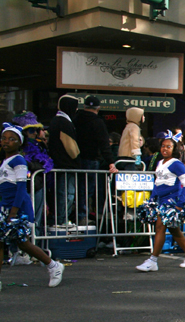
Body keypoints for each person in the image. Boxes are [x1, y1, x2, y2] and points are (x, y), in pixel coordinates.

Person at [0, 123, 65, 290]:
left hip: (16, 209)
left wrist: (14, 212)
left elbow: (21, 188)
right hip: (5, 207)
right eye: (4, 138)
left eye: (12, 139)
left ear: (19, 143)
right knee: (10, 242)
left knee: (24, 243)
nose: (7, 142)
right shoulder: (5, 160)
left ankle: (53, 265)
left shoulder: (19, 160)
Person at [136, 133, 185, 272]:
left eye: (168, 147)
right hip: (160, 201)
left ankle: (153, 260)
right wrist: (152, 199)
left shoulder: (176, 164)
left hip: (171, 201)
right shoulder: (160, 163)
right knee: (174, 230)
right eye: (163, 146)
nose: (165, 149)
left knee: (160, 227)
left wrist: (180, 203)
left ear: (174, 149)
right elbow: (157, 183)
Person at [74, 95, 114, 225]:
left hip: (75, 159)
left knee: (74, 188)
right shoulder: (98, 122)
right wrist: (110, 162)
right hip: (91, 160)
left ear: (85, 106)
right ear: (98, 108)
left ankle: (76, 214)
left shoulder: (75, 119)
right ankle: (82, 216)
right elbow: (104, 144)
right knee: (86, 189)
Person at [47, 95, 81, 224]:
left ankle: (61, 219)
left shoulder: (57, 120)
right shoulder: (63, 122)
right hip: (66, 165)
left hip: (62, 164)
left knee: (64, 193)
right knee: (66, 194)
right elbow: (70, 146)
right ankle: (61, 220)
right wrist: (77, 159)